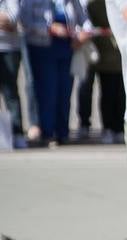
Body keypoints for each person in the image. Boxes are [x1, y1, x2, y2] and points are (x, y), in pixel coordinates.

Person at [20, 0, 91, 145]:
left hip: (67, 49)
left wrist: (83, 34)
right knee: (47, 91)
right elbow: (25, 22)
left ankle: (62, 132)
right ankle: (47, 132)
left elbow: (86, 22)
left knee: (64, 91)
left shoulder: (72, 1)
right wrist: (48, 28)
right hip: (42, 48)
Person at [77, 0, 125, 142]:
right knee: (91, 90)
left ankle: (116, 128)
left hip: (115, 56)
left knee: (116, 93)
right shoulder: (92, 5)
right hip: (94, 53)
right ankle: (95, 126)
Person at [0, 0, 25, 146]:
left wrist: (9, 22)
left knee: (10, 94)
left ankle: (17, 134)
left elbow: (12, 18)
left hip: (9, 50)